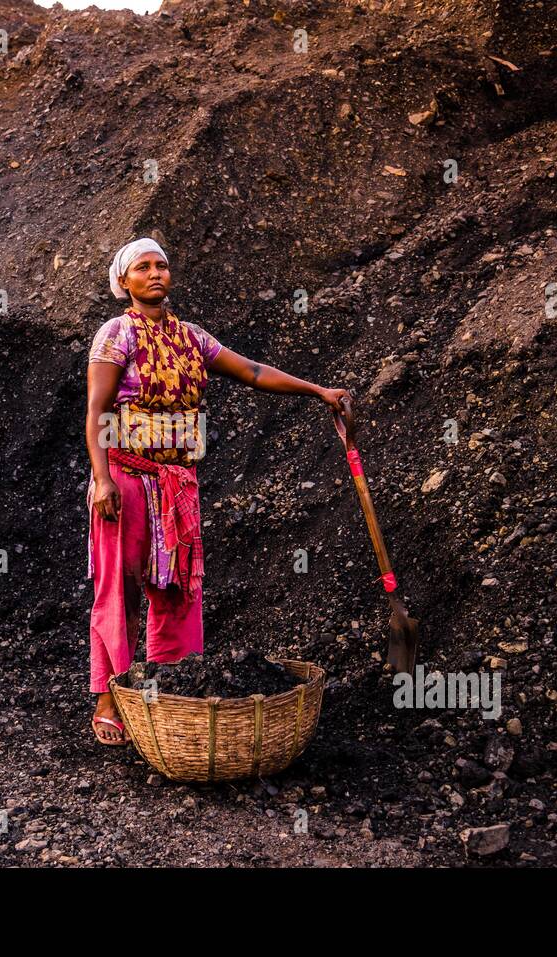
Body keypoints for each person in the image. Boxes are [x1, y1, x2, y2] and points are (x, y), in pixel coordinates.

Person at [85, 237, 352, 744]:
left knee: (177, 588)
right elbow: (96, 412)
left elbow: (251, 371)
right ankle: (108, 698)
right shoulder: (115, 335)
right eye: (142, 267)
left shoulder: (192, 338)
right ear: (124, 283)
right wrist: (101, 480)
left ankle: (170, 693)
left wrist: (317, 391)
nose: (155, 273)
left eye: (161, 264)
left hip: (177, 482)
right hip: (124, 477)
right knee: (117, 588)